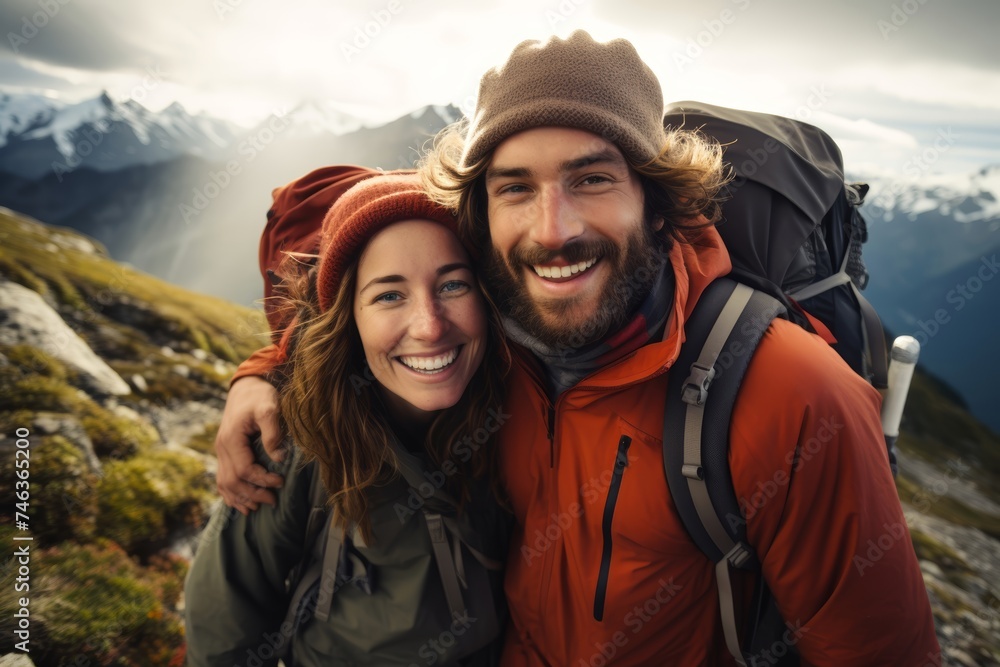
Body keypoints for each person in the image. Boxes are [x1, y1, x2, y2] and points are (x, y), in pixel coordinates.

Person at [214, 32, 941, 665]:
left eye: (591, 179)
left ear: (658, 201)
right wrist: (270, 370)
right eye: (515, 188)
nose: (552, 229)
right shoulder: (486, 330)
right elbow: (335, 230)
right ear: (479, 216)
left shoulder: (790, 395)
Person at [184, 172, 511, 666]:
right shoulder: (291, 442)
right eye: (388, 295)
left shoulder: (521, 404)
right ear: (346, 318)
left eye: (453, 284)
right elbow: (224, 625)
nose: (429, 326)